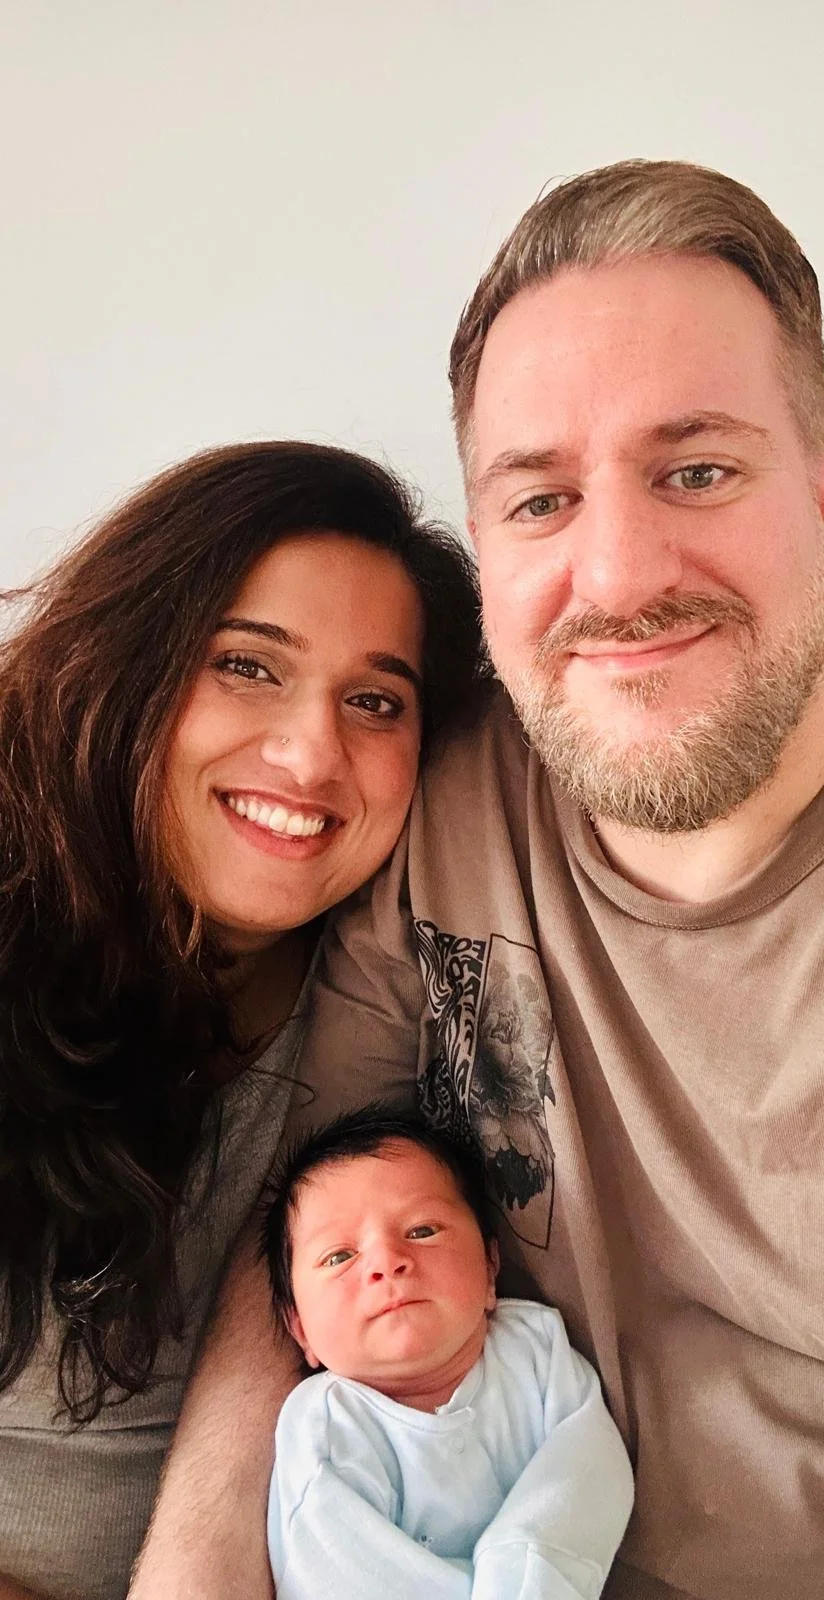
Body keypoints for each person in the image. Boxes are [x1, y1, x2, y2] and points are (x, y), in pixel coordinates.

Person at [132, 162, 824, 1600]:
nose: (616, 574)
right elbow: (314, 1195)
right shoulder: (448, 795)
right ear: (484, 551)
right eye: (542, 499)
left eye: (697, 472)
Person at [0, 439, 486, 1600]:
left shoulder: (409, 1010)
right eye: (248, 667)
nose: (313, 753)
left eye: (376, 700)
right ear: (127, 665)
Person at [262, 1109, 633, 1599]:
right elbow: (339, 1573)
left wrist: (523, 1568)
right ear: (299, 1328)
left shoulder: (536, 1349)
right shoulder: (328, 1427)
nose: (386, 1262)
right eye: (339, 1257)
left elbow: (590, 1469)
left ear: (490, 1267)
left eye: (422, 1231)